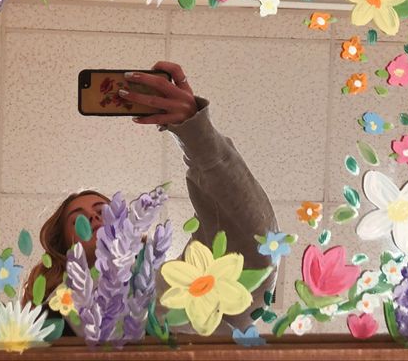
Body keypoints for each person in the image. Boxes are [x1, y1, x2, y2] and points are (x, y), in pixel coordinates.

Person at [22, 61, 278, 335]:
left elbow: (253, 242)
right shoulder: (51, 315)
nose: (95, 217)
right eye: (79, 221)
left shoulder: (182, 284)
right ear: (65, 248)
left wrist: (196, 135)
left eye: (104, 210)